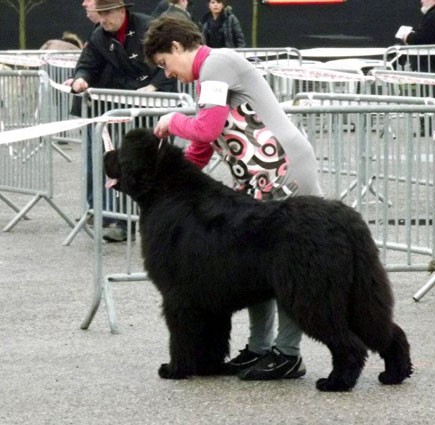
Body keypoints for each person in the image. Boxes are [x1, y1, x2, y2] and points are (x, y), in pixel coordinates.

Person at [143, 16, 323, 380]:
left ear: (177, 47)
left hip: (283, 169)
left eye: (164, 63)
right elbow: (201, 147)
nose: (168, 73)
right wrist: (172, 180)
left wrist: (171, 120)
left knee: (286, 263)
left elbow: (205, 127)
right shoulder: (208, 76)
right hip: (259, 176)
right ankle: (259, 347)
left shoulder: (216, 63)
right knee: (255, 262)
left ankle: (287, 353)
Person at [72, 0, 177, 242]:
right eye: (100, 14)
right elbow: (87, 65)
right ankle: (115, 219)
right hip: (111, 109)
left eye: (108, 13)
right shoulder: (98, 36)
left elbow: (170, 59)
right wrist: (81, 79)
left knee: (147, 165)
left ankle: (154, 219)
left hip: (150, 108)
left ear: (122, 11)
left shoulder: (149, 28)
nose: (104, 19)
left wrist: (155, 85)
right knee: (109, 162)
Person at [402, 0, 435, 73]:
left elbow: (422, 38)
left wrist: (408, 37)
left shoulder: (434, 15)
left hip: (431, 66)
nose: (421, 1)